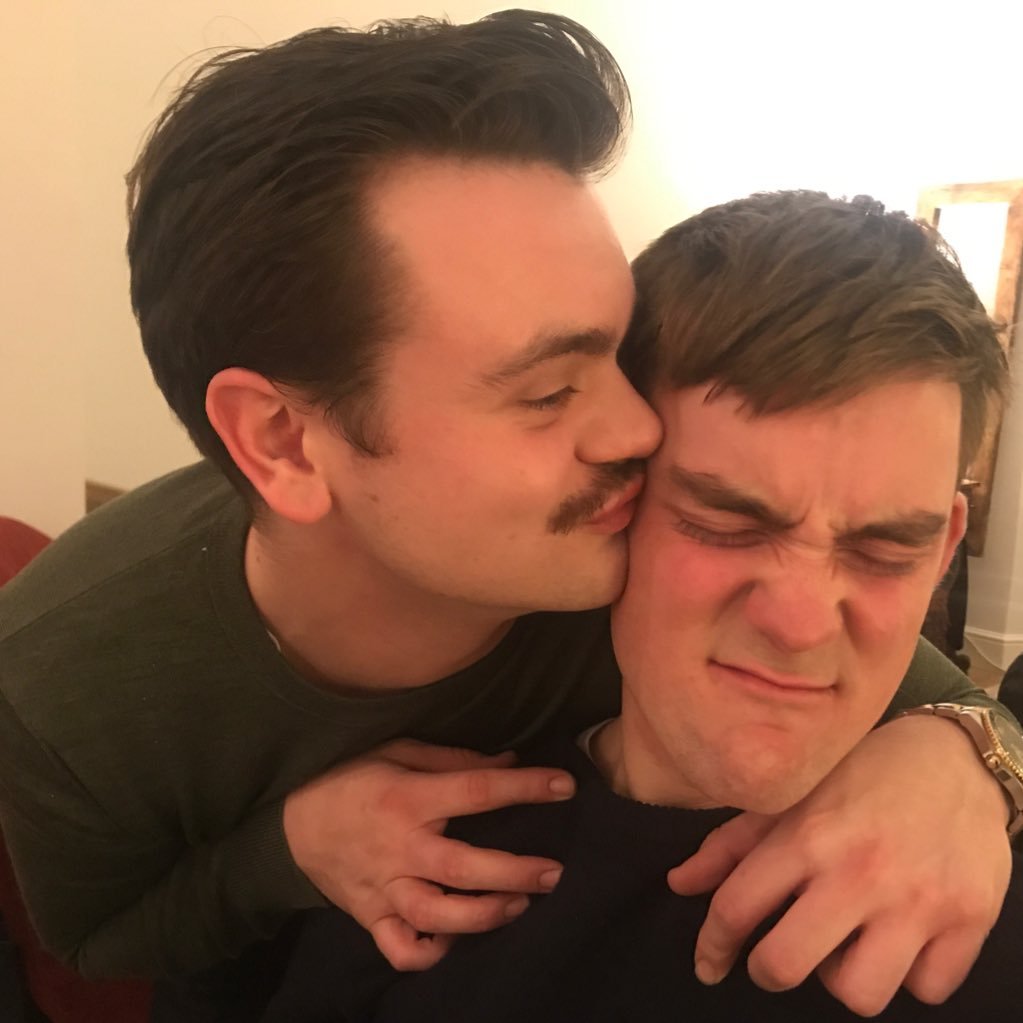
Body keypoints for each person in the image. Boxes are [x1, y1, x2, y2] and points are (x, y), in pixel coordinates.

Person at [0, 11, 1016, 1020]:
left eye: (616, 354)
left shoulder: (621, 538)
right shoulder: (62, 683)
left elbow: (922, 675)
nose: (640, 432)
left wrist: (965, 759)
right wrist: (288, 852)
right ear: (284, 441)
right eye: (547, 391)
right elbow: (98, 944)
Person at [260, 190, 1022, 1022]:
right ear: (612, 501)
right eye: (723, 523)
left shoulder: (985, 886)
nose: (801, 624)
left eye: (884, 551)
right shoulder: (402, 860)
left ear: (943, 550)